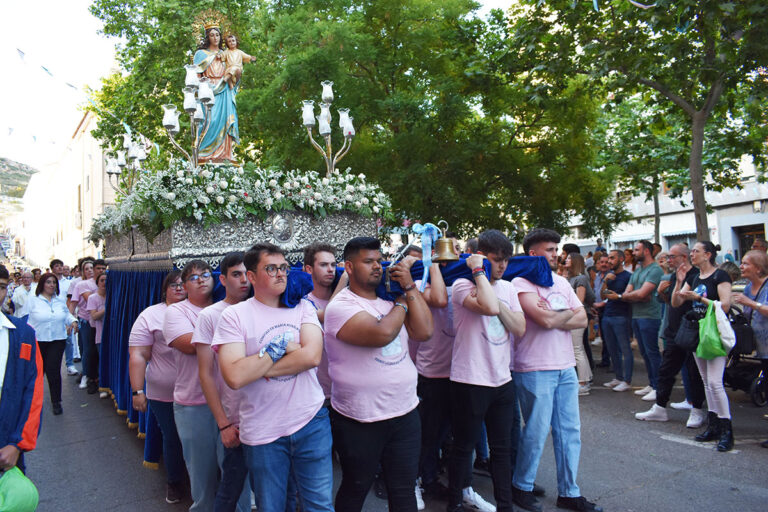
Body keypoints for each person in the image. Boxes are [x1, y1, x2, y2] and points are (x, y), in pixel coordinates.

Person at [214, 243, 333, 512]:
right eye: (271, 269)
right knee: (272, 507)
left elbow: (312, 357)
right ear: (252, 276)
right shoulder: (234, 316)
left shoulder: (303, 307)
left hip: (310, 421)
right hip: (262, 430)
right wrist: (280, 346)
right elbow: (234, 377)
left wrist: (256, 368)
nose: (280, 274)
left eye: (283, 268)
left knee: (320, 506)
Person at [324, 237, 432, 512]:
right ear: (349, 267)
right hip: (360, 418)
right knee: (356, 486)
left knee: (403, 489)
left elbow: (424, 332)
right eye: (368, 261)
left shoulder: (390, 300)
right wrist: (403, 303)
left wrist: (409, 287)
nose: (377, 266)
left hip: (405, 412)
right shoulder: (341, 306)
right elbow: (382, 334)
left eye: (379, 260)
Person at [512, 228, 601, 512]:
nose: (556, 255)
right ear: (533, 253)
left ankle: (569, 492)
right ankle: (521, 486)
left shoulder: (561, 282)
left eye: (556, 249)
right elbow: (547, 321)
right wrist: (560, 315)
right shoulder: (519, 283)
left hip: (565, 366)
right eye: (549, 250)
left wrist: (552, 315)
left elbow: (582, 319)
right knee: (536, 431)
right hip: (533, 367)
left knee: (569, 431)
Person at [448, 230, 525, 512]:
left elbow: (519, 328)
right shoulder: (461, 285)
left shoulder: (509, 288)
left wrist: (500, 302)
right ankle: (454, 503)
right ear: (481, 257)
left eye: (506, 260)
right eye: (496, 259)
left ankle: (506, 506)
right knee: (463, 447)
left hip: (502, 380)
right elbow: (491, 308)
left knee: (502, 450)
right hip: (470, 379)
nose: (502, 265)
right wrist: (479, 271)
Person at [192, 252, 252, 512]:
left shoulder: (267, 307)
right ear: (223, 279)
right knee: (231, 487)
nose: (244, 280)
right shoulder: (210, 316)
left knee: (278, 488)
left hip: (270, 415)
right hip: (235, 416)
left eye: (247, 274)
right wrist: (224, 423)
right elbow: (206, 373)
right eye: (236, 274)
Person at [128, 270, 188, 504]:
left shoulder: (202, 310)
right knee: (173, 437)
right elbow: (138, 354)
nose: (179, 288)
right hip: (164, 392)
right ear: (164, 290)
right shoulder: (151, 315)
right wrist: (137, 391)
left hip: (200, 390)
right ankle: (174, 482)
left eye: (183, 284)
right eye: (173, 285)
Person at [634, 244, 707, 428]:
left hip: (691, 330)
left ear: (683, 257)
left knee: (693, 373)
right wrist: (662, 293)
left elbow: (691, 303)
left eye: (672, 257)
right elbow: (674, 303)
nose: (668, 260)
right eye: (668, 257)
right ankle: (660, 407)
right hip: (674, 330)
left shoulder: (696, 276)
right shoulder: (675, 276)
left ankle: (697, 409)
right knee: (666, 370)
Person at [163, 260, 216, 511]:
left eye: (206, 274)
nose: (201, 280)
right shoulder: (176, 312)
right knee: (202, 473)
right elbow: (190, 345)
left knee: (238, 472)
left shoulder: (227, 306)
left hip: (230, 400)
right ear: (184, 286)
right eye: (194, 278)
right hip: (194, 403)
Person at [671, 241, 734, 451]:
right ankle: (714, 425)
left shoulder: (720, 276)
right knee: (707, 382)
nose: (692, 254)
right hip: (698, 333)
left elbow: (725, 305)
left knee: (715, 382)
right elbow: (676, 303)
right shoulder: (695, 277)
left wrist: (699, 298)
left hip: (714, 333)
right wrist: (679, 283)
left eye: (696, 251)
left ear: (708, 254)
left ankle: (727, 429)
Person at [606, 241, 664, 403]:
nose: (633, 253)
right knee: (645, 352)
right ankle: (652, 384)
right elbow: (630, 293)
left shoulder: (655, 270)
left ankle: (659, 387)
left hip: (650, 316)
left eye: (637, 250)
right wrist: (630, 296)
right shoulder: (638, 270)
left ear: (646, 251)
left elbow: (642, 294)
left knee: (652, 353)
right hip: (637, 316)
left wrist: (625, 296)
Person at [0, 265, 43, 475]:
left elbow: (33, 391)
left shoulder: (23, 334)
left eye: (1, 287)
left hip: (6, 448)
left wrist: (17, 444)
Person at [26, 273, 77, 415]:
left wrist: (73, 321)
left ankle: (56, 402)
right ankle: (32, 401)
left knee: (53, 371)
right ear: (42, 284)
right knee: (37, 372)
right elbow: (24, 318)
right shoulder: (33, 300)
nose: (52, 285)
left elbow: (66, 315)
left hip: (57, 340)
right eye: (48, 282)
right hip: (38, 341)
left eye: (54, 282)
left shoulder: (59, 301)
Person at [303, 242, 348, 399]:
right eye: (323, 265)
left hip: (347, 389)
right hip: (320, 393)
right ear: (309, 269)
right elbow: (327, 314)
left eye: (333, 265)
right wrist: (344, 278)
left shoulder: (347, 297)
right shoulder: (303, 302)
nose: (330, 269)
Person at [733, 250, 768, 447]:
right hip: (761, 347)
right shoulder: (747, 287)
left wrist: (751, 303)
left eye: (746, 263)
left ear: (759, 268)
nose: (741, 266)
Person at [193, 25, 239, 163]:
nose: (215, 38)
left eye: (217, 35)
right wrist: (201, 88)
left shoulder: (226, 54)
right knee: (209, 121)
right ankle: (204, 155)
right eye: (212, 35)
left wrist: (235, 73)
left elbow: (234, 72)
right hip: (208, 91)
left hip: (224, 90)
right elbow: (196, 76)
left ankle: (225, 155)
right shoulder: (201, 54)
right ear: (207, 37)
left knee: (226, 121)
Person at [600, 250, 634, 392]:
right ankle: (618, 377)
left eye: (612, 258)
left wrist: (618, 296)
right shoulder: (610, 276)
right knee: (612, 348)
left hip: (621, 316)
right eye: (608, 258)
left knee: (625, 348)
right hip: (608, 314)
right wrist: (605, 281)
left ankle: (627, 380)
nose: (609, 261)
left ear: (621, 259)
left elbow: (630, 296)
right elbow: (603, 296)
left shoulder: (628, 276)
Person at [564, 253, 594, 395]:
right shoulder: (569, 278)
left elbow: (579, 300)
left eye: (569, 258)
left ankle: (583, 383)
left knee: (577, 349)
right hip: (572, 317)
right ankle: (586, 379)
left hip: (576, 316)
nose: (566, 260)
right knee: (578, 349)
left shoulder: (580, 278)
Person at [69, 259, 95, 388]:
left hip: (100, 321)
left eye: (91, 268)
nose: (90, 270)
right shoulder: (80, 284)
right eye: (87, 269)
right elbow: (73, 303)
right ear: (83, 271)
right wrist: (70, 320)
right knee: (87, 349)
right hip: (86, 320)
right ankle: (85, 374)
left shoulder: (101, 282)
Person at [86, 273, 108, 398]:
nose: (104, 283)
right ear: (97, 283)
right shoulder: (93, 298)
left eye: (106, 280)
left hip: (111, 334)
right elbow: (94, 316)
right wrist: (106, 309)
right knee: (101, 360)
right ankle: (102, 385)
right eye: (102, 280)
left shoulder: (112, 295)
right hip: (99, 333)